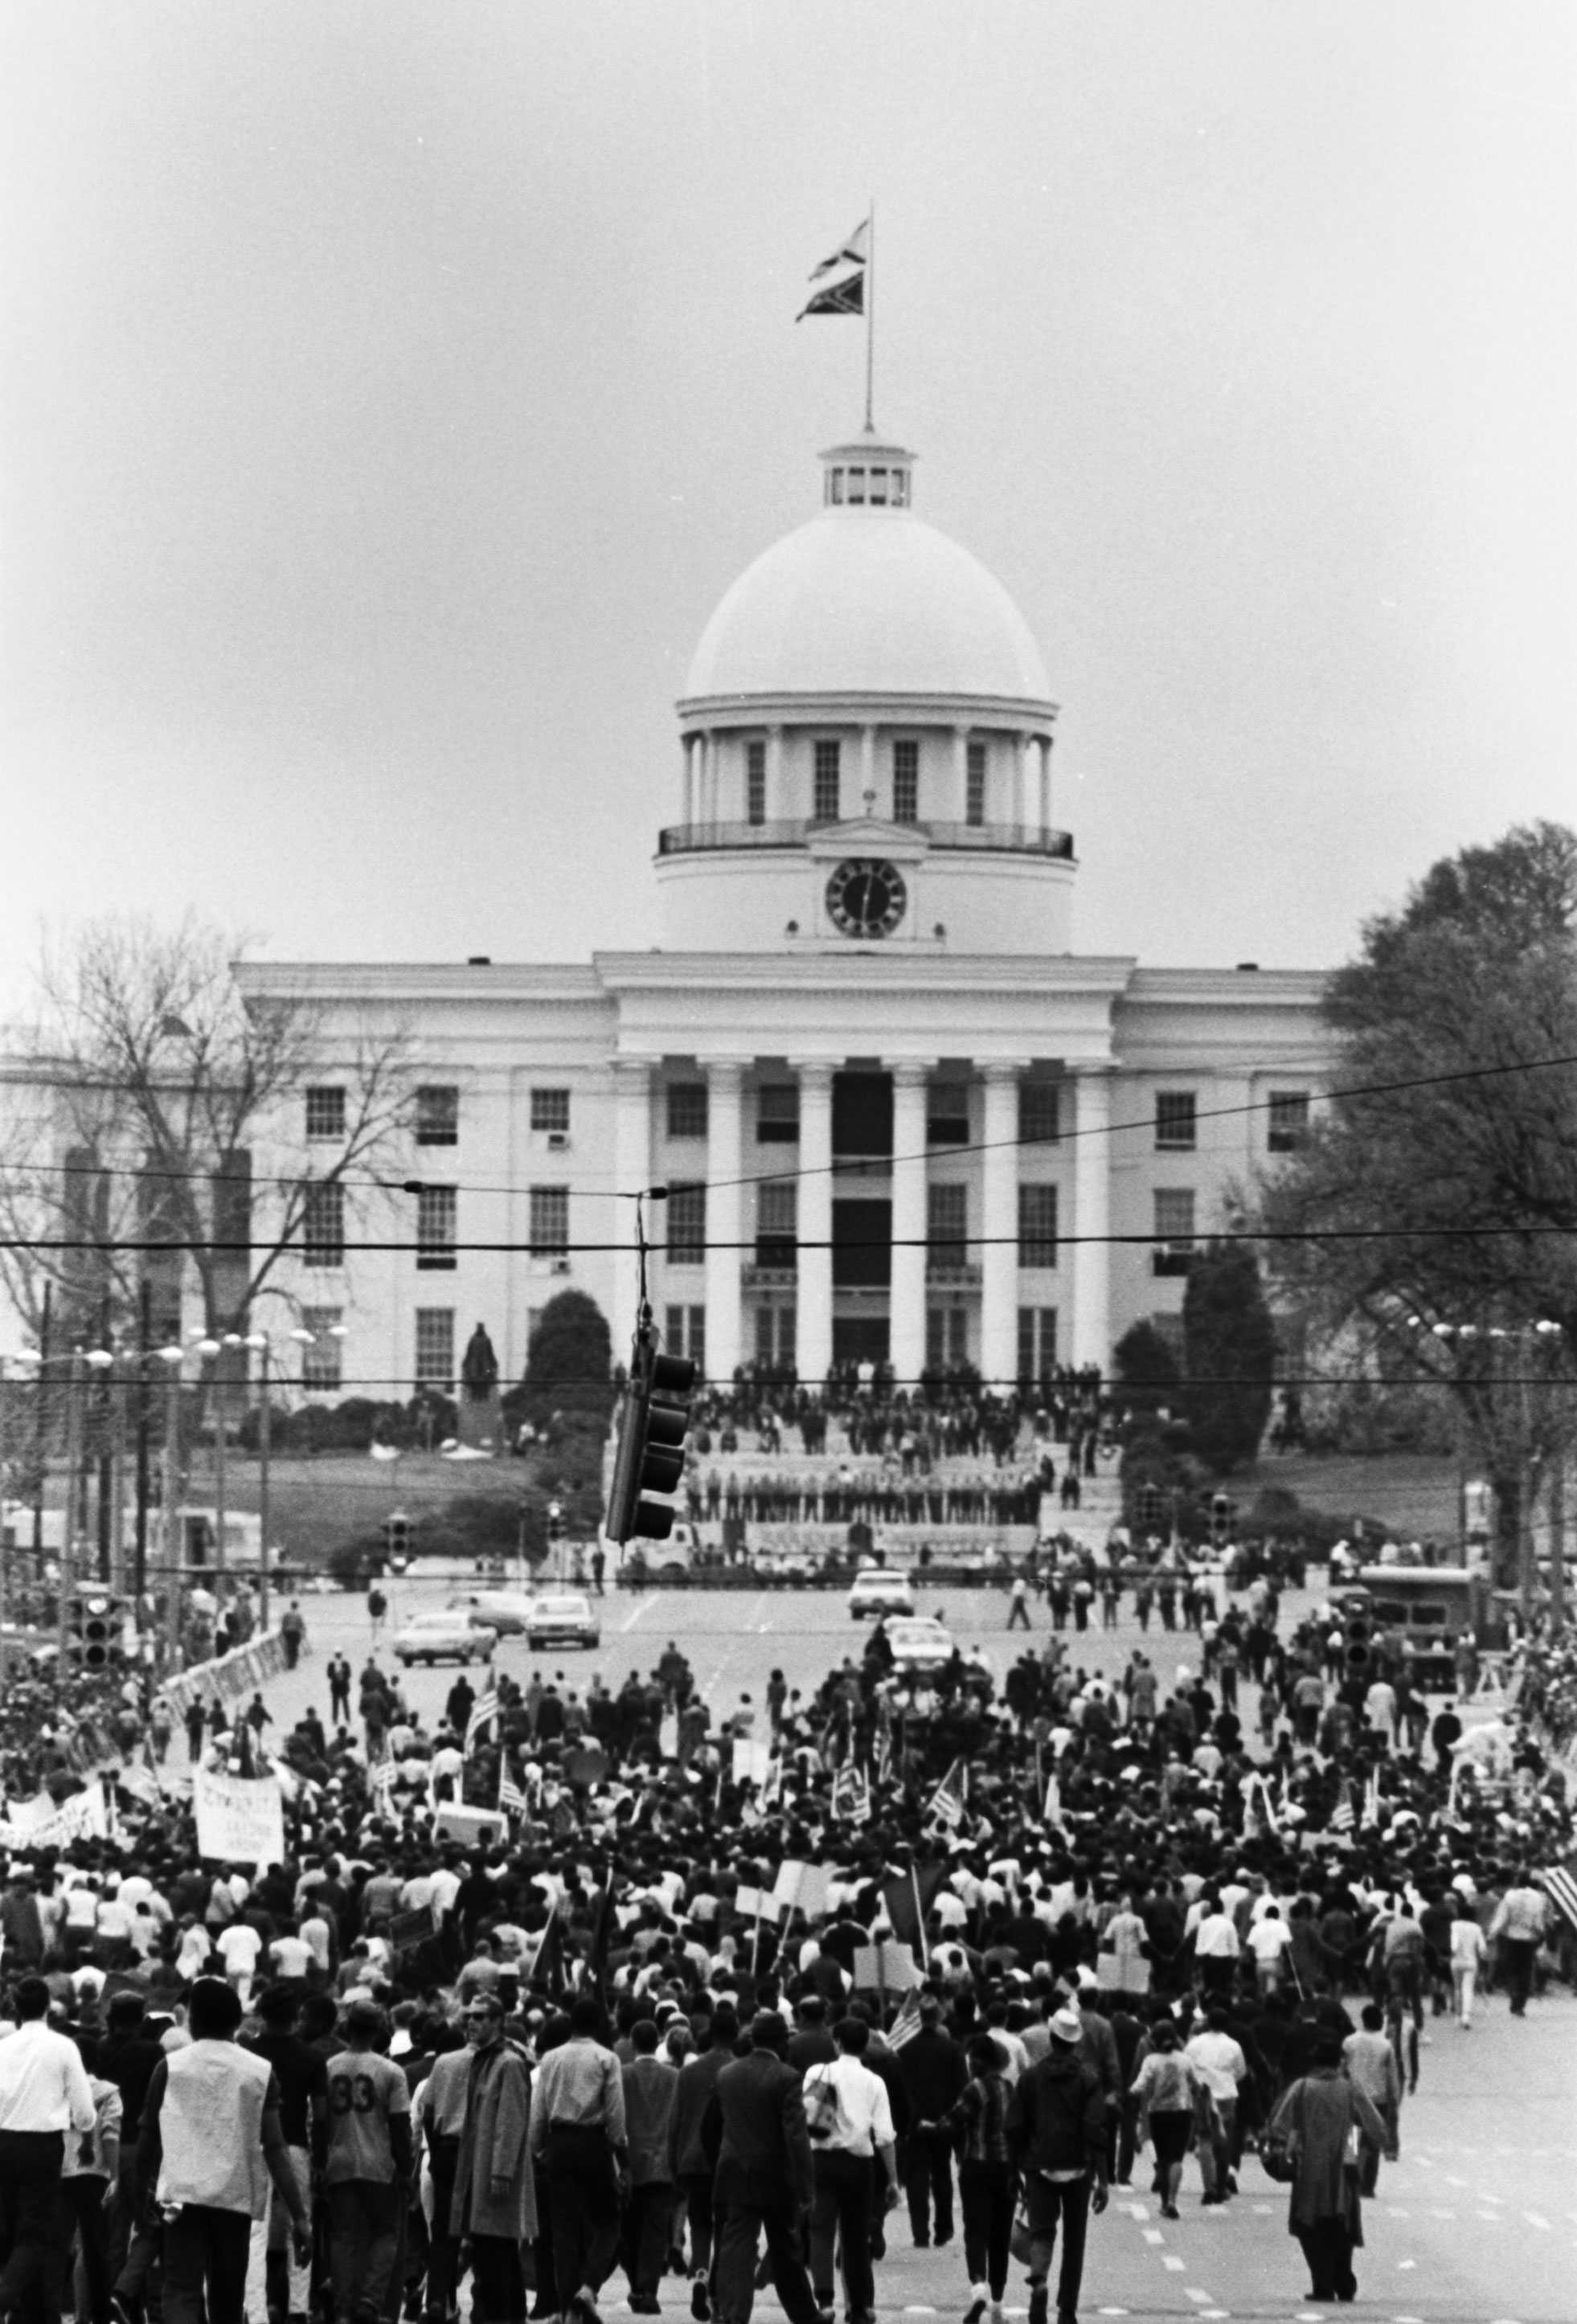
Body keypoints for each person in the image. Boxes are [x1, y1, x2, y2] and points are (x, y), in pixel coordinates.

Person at [135, 1976, 311, 2324]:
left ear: (194, 2019)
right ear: (236, 2021)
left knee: (182, 2289)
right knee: (227, 2296)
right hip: (235, 2198)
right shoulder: (259, 2072)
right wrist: (299, 2215)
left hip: (182, 2197)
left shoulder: (170, 2067)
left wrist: (140, 2195)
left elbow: (147, 2140)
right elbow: (275, 2148)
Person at [703, 2011, 822, 2324]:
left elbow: (711, 2126)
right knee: (786, 2252)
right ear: (783, 2042)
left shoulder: (727, 2075)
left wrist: (719, 2162)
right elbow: (796, 2137)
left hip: (735, 2173)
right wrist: (806, 2188)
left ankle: (733, 2315)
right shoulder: (787, 2077)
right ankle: (806, 2317)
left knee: (736, 2251)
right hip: (775, 2177)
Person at [1268, 2032, 1395, 2304]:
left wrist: (1293, 2142)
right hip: (1345, 2170)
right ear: (1339, 2062)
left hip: (1309, 2172)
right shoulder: (1350, 2089)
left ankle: (1322, 2284)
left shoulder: (1302, 2088)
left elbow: (1279, 2125)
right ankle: (1344, 2280)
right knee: (1343, 2226)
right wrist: (1377, 2143)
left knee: (1309, 2227)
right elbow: (1374, 2126)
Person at [0, 1974, 98, 2324]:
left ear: (16, 2006)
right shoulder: (63, 2047)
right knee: (34, 2233)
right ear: (48, 2008)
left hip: (3, 2141)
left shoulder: (3, 2046)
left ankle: (26, 2313)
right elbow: (86, 2113)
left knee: (8, 2231)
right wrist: (81, 2125)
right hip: (42, 2146)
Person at [1004, 2005, 1108, 2324]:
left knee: (1042, 2231)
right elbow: (1095, 2129)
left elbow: (1014, 2127)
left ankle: (1039, 2280)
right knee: (1075, 2240)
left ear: (1051, 2038)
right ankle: (1067, 2309)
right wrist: (1103, 2179)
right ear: (1075, 2043)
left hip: (1039, 2165)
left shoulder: (1031, 2078)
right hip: (1078, 2167)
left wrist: (1015, 2169)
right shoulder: (1088, 2080)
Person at [527, 1994, 628, 2323]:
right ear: (599, 2024)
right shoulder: (606, 2058)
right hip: (593, 2143)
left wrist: (538, 2149)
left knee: (563, 2231)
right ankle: (588, 2287)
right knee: (607, 2223)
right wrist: (619, 2154)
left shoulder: (550, 2060)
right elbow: (615, 2113)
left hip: (559, 2144)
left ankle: (567, 2310)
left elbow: (539, 2110)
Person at [802, 2016, 899, 2324]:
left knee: (821, 2231)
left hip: (822, 2162)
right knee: (856, 2237)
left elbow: (804, 2119)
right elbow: (885, 2136)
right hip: (859, 2165)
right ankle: (859, 2306)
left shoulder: (818, 2072)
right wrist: (893, 2179)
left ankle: (825, 2301)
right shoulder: (875, 2082)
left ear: (837, 2042)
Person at [322, 1999, 414, 2324]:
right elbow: (401, 2125)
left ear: (348, 2029)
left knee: (344, 2237)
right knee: (387, 2232)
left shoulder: (330, 2066)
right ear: (378, 2031)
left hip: (339, 2161)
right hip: (379, 2163)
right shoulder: (391, 2071)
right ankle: (371, 2300)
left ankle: (343, 2309)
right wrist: (406, 2169)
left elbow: (319, 2122)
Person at [450, 1990, 535, 2324]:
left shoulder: (509, 2063)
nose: (472, 2022)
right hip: (477, 2170)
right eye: (469, 2016)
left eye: (480, 2017)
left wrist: (501, 2172)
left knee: (497, 2257)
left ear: (499, 2022)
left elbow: (510, 2120)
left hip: (495, 2176)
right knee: (490, 2257)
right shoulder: (483, 2060)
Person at [925, 2031, 1016, 2324]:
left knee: (976, 2231)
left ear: (977, 2061)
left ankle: (979, 2288)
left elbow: (952, 2122)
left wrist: (931, 2127)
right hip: (1005, 2170)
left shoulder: (974, 2089)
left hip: (976, 2167)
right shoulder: (1010, 2089)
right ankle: (999, 2303)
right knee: (1000, 2236)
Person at [894, 1994, 966, 2249]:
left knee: (917, 2177)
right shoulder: (952, 2049)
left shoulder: (904, 2050)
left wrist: (907, 2121)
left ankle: (920, 2232)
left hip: (914, 2124)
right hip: (943, 2121)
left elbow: (900, 2089)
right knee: (942, 2174)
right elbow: (961, 2088)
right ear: (937, 2018)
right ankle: (943, 2229)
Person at [1127, 2021, 1200, 2220]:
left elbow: (1139, 2085)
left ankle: (1163, 2201)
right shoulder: (1185, 2060)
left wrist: (1129, 2094)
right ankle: (1172, 2201)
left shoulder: (1151, 2060)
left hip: (1158, 2113)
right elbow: (1197, 2084)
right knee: (1177, 2158)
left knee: (1164, 2158)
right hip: (1183, 2112)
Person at [1340, 2005, 1402, 2196]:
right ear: (1380, 2022)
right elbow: (1392, 2077)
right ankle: (1367, 2186)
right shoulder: (1385, 2046)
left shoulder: (1349, 2042)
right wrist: (1395, 2101)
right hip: (1377, 2100)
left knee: (1352, 2142)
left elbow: (1341, 2069)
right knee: (1373, 2143)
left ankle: (1350, 2182)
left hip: (1352, 2097)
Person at [1489, 1872, 1547, 2016]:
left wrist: (1492, 1933)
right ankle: (1520, 2003)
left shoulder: (1510, 1896)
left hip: (1512, 1937)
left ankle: (1513, 1993)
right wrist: (1541, 1934)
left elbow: (1502, 1917)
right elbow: (1538, 1921)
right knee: (1526, 1970)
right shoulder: (1537, 1898)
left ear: (1516, 1882)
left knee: (1512, 1968)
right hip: (1529, 1938)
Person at [1449, 1898, 1488, 2028]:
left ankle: (1457, 2016)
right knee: (1468, 1988)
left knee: (1457, 1988)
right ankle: (1466, 2016)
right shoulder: (1476, 1928)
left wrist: (1454, 1951)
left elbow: (1454, 1944)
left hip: (1456, 1961)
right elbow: (1482, 1948)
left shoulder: (1454, 1925)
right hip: (1471, 1961)